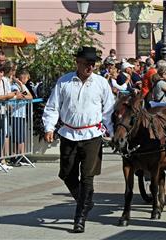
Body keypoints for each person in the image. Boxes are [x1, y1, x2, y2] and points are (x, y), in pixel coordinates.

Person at [42, 46, 115, 233]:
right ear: (77, 62)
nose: (90, 67)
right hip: (69, 134)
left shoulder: (100, 83)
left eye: (93, 64)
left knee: (87, 178)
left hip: (92, 135)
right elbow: (53, 106)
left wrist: (112, 132)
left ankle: (79, 218)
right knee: (66, 174)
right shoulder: (64, 82)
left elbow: (108, 110)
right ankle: (86, 201)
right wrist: (49, 127)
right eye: (86, 63)